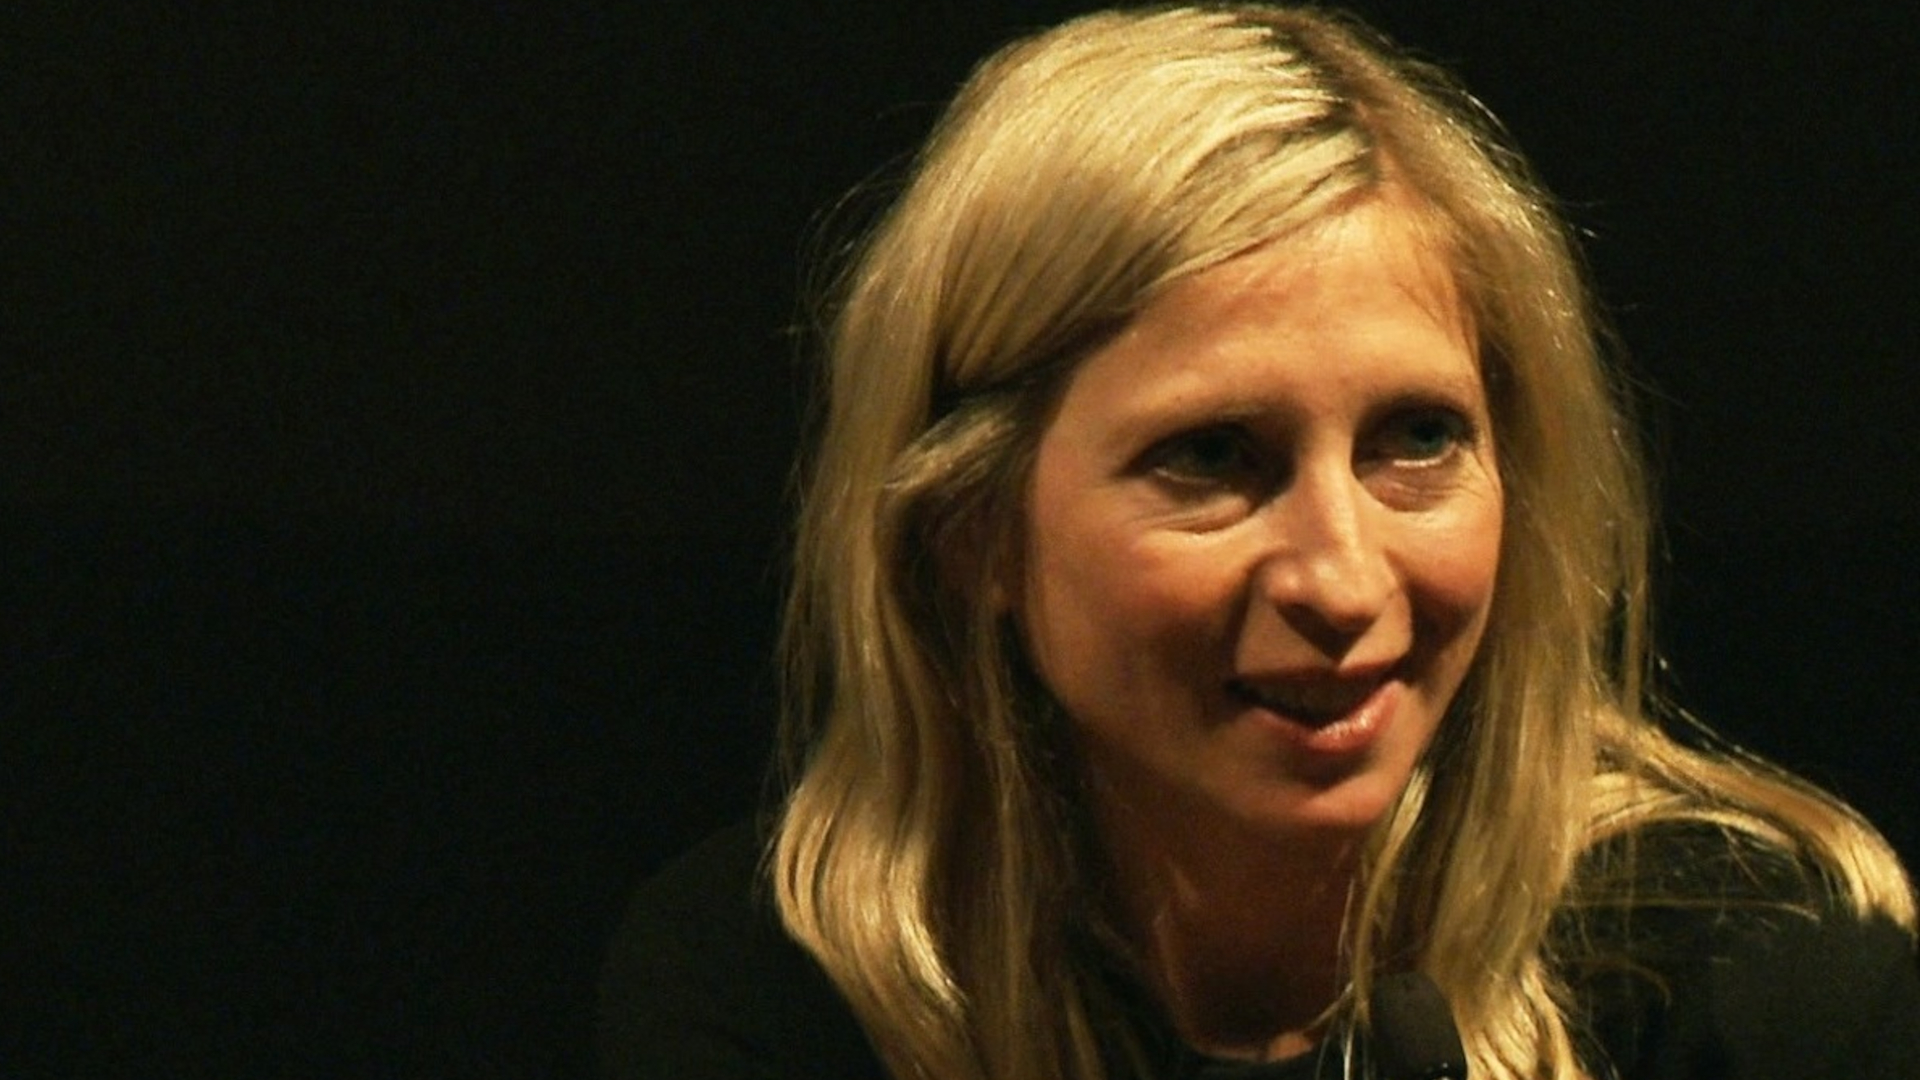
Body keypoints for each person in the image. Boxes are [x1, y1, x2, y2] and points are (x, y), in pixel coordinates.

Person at [599, 5, 1920, 1078]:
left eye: (1418, 439)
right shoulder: (778, 996)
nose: (1342, 579)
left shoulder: (1761, 979)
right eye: (1213, 457)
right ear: (972, 531)